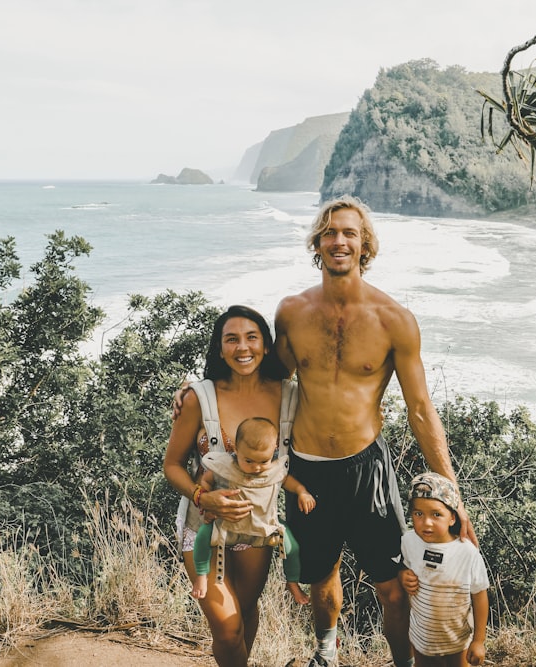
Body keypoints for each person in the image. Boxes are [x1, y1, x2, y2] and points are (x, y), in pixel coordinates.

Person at [274, 194, 477, 667]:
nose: (338, 240)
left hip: (366, 470)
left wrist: (452, 497)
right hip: (306, 471)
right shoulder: (291, 312)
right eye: (329, 232)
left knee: (392, 586)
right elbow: (264, 381)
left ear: (365, 244)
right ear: (317, 243)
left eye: (349, 232)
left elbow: (421, 410)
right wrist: (199, 390)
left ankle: (402, 663)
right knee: (320, 577)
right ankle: (326, 654)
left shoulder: (394, 321)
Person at [163, 304, 298, 667]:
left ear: (266, 345)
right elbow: (172, 465)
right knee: (225, 626)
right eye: (232, 339)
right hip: (202, 524)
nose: (243, 347)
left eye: (252, 337)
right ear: (219, 348)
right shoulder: (198, 398)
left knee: (246, 609)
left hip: (255, 528)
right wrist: (203, 495)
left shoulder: (288, 395)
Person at [191, 416, 315, 604]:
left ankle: (292, 581)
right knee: (202, 536)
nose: (256, 467)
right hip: (227, 526)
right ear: (236, 449)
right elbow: (206, 480)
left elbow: (287, 481)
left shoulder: (274, 469)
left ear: (273, 451)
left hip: (265, 527)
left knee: (293, 547)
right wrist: (207, 501)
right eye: (248, 461)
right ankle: (201, 575)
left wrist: (302, 492)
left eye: (263, 461)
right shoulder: (225, 466)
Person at [399, 472, 488, 667]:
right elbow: (403, 567)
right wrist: (403, 575)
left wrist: (479, 641)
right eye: (418, 514)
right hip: (421, 638)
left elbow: (480, 596)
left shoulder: (467, 553)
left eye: (436, 514)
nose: (426, 522)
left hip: (458, 640)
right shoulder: (409, 541)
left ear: (452, 518)